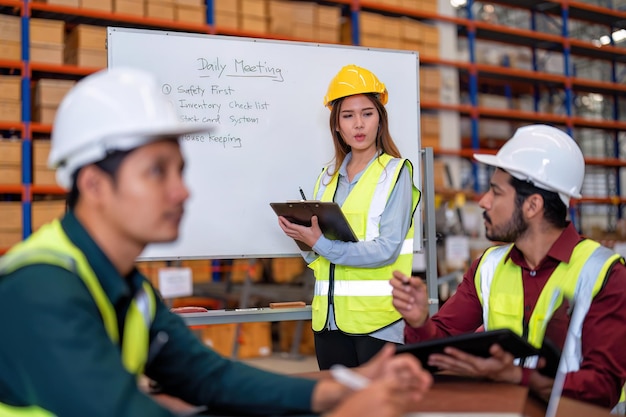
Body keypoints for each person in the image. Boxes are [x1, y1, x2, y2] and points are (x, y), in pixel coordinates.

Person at [0, 68, 433, 417]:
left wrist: (339, 389)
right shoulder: (42, 289)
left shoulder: (129, 289)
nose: (182, 191)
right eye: (157, 172)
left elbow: (211, 378)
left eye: (180, 170)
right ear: (94, 184)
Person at [390, 124, 626, 410]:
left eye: (496, 192)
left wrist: (518, 377)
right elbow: (443, 345)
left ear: (532, 205)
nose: (483, 201)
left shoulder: (604, 274)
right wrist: (419, 322)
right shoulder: (488, 267)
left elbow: (602, 387)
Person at [277, 64, 421, 370]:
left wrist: (321, 244)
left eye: (367, 113)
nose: (359, 124)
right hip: (328, 323)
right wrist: (303, 237)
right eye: (348, 115)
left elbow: (387, 249)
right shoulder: (326, 178)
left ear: (380, 120)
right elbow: (319, 255)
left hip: (378, 323)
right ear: (337, 125)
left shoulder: (395, 173)